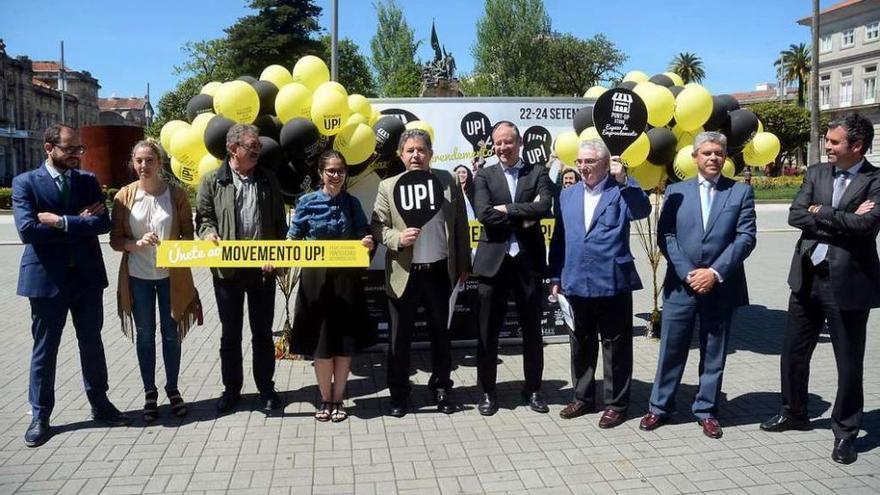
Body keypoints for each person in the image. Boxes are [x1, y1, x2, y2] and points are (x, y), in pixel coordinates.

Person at [760, 113, 879, 464]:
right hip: (807, 276)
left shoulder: (875, 180)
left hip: (849, 283)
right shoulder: (816, 173)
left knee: (849, 363)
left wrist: (821, 212)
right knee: (793, 352)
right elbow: (795, 215)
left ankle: (845, 432)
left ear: (856, 146)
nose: (827, 146)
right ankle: (794, 411)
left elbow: (868, 225)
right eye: (827, 140)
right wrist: (836, 217)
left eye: (834, 142)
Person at [14, 124, 130, 448]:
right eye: (70, 149)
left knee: (92, 343)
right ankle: (40, 416)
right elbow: (27, 230)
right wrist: (81, 223)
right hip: (46, 280)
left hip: (86, 278)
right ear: (49, 148)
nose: (78, 155)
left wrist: (61, 221)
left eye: (80, 149)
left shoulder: (88, 181)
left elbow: (103, 223)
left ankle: (100, 403)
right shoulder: (25, 183)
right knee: (44, 349)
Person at [640, 131, 756, 439]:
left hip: (721, 286)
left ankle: (706, 410)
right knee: (671, 350)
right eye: (707, 153)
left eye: (719, 153)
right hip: (681, 285)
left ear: (725, 156)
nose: (713, 158)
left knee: (714, 352)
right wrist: (688, 271)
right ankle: (659, 408)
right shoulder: (677, 191)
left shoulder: (739, 193)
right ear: (695, 157)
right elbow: (666, 235)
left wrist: (715, 272)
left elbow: (745, 237)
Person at [548, 140, 650, 428]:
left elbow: (642, 211)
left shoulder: (621, 191)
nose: (583, 167)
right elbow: (559, 239)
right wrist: (555, 276)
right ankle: (582, 397)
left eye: (590, 162)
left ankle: (616, 404)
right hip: (576, 280)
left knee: (615, 347)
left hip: (612, 281)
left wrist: (626, 180)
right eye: (580, 161)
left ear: (606, 164)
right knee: (580, 344)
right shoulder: (567, 195)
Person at [371, 129, 471, 418]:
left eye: (421, 150)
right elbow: (377, 226)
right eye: (410, 150)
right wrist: (396, 239)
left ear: (430, 154)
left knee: (441, 335)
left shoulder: (447, 181)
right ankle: (399, 395)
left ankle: (441, 389)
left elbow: (461, 225)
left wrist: (463, 264)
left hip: (440, 272)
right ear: (401, 155)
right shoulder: (388, 187)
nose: (416, 155)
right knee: (399, 339)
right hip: (404, 274)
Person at [196, 124, 288, 413]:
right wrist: (208, 233)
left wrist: (277, 256)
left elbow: (278, 224)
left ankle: (266, 389)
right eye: (252, 147)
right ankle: (231, 390)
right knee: (230, 334)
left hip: (262, 269)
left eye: (258, 147)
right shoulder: (212, 181)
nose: (257, 151)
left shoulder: (268, 179)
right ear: (233, 148)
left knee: (262, 333)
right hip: (227, 272)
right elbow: (204, 218)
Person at [110, 139, 201, 422]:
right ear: (133, 163)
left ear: (160, 163)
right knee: (146, 337)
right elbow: (115, 241)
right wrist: (137, 244)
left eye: (150, 160)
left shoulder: (176, 195)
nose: (144, 166)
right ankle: (150, 393)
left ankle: (173, 388)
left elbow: (189, 236)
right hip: (137, 277)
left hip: (170, 278)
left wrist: (172, 247)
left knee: (171, 335)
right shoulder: (123, 196)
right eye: (139, 160)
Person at [472, 121, 555, 416]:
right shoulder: (483, 175)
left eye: (509, 142)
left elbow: (545, 206)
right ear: (493, 146)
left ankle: (533, 389)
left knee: (533, 331)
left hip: (528, 264)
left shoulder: (538, 172)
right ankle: (487, 392)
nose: (503, 147)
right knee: (486, 333)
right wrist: (523, 214)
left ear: (519, 143)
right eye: (498, 143)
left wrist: (506, 210)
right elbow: (483, 213)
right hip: (492, 265)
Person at [287, 150, 377, 422]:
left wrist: (368, 243)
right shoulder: (306, 202)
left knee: (344, 342)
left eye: (341, 171)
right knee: (322, 343)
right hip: (315, 281)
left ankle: (339, 398)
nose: (336, 176)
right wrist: (282, 252)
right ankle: (325, 399)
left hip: (346, 282)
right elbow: (293, 239)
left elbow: (365, 236)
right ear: (320, 173)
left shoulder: (352, 204)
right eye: (331, 171)